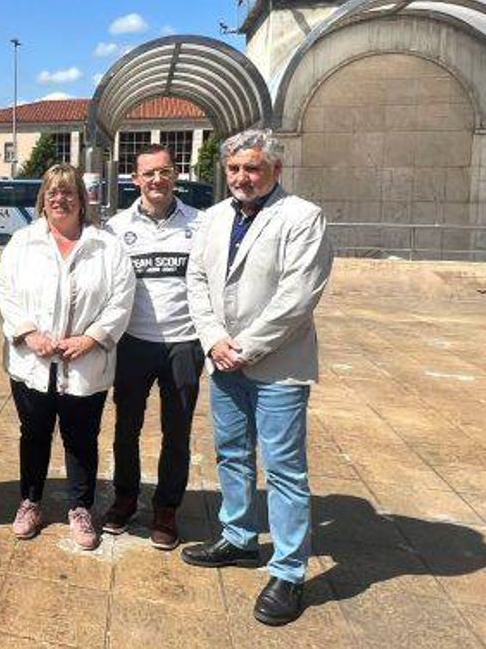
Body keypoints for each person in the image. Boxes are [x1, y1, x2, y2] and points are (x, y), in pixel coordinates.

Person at [183, 129, 333, 627]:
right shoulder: (212, 218)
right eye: (234, 169)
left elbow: (298, 296)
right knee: (232, 453)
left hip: (276, 367)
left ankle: (288, 571)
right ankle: (239, 536)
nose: (242, 178)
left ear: (275, 170)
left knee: (285, 469)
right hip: (223, 360)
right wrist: (213, 341)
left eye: (252, 168)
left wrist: (243, 348)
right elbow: (198, 280)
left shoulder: (302, 217)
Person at [0, 163, 136, 550]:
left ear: (82, 199)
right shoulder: (23, 242)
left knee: (81, 439)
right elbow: (6, 292)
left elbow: (122, 298)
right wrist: (28, 333)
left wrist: (93, 338)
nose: (60, 199)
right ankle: (31, 501)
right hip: (33, 363)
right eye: (52, 192)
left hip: (85, 363)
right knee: (34, 435)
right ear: (43, 198)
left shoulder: (107, 246)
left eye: (68, 192)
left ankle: (80, 507)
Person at [103, 145, 205, 549]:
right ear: (135, 179)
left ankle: (166, 509)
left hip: (184, 344)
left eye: (164, 172)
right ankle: (125, 499)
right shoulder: (116, 227)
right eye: (149, 174)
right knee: (125, 429)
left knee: (176, 433)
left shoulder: (200, 224)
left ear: (175, 175)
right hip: (133, 343)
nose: (157, 180)